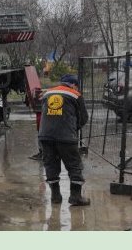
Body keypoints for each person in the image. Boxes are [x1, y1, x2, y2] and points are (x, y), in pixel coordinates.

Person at [38, 74, 90, 206]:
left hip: (45, 137)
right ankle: (75, 197)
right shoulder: (75, 95)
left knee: (51, 165)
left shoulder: (47, 93)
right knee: (74, 166)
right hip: (66, 138)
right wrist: (73, 128)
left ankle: (55, 197)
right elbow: (83, 118)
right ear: (73, 85)